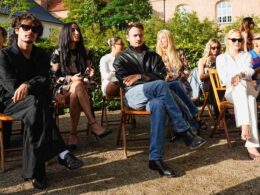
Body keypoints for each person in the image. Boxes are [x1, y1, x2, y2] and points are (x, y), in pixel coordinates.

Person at [0, 13, 83, 189]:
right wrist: (29, 86)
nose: (30, 31)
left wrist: (29, 85)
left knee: (36, 112)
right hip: (10, 103)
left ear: (37, 34)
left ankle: (36, 173)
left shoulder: (41, 54)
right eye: (25, 27)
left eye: (34, 29)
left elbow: (45, 79)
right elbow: (11, 87)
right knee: (38, 106)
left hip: (35, 103)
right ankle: (60, 153)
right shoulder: (4, 55)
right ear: (16, 29)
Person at [113, 22, 206, 177]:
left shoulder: (153, 56)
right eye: (134, 35)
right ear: (128, 38)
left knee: (159, 104)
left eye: (140, 34)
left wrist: (141, 76)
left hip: (154, 96)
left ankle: (155, 159)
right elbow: (125, 81)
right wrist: (148, 79)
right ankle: (184, 130)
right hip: (133, 95)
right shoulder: (121, 58)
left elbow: (161, 75)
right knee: (163, 85)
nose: (138, 38)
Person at [50, 22, 111, 149]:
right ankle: (94, 125)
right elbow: (53, 77)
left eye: (78, 30)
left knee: (76, 91)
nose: (77, 33)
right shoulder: (58, 53)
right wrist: (70, 78)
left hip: (80, 89)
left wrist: (90, 74)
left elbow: (88, 75)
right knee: (76, 85)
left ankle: (73, 135)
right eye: (73, 30)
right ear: (66, 33)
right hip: (63, 90)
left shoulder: (85, 52)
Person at [216, 29, 260, 162]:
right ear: (227, 41)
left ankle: (244, 125)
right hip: (231, 91)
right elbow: (224, 77)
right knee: (250, 99)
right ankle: (252, 145)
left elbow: (249, 70)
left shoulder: (246, 55)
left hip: (250, 88)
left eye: (240, 40)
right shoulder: (221, 58)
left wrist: (240, 75)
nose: (237, 42)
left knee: (243, 87)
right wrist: (241, 78)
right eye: (233, 39)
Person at [156, 29, 207, 131]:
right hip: (166, 87)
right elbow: (157, 75)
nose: (160, 41)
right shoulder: (157, 57)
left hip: (182, 84)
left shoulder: (179, 53)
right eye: (159, 39)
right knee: (174, 92)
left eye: (163, 38)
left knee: (178, 88)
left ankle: (183, 126)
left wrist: (180, 76)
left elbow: (187, 70)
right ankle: (195, 119)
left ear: (169, 39)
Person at [198, 38, 222, 117]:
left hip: (221, 84)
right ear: (209, 48)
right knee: (214, 84)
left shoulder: (222, 59)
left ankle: (221, 111)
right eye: (213, 48)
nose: (216, 50)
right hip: (208, 85)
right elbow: (201, 76)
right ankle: (219, 114)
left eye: (218, 48)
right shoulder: (203, 60)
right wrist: (213, 73)